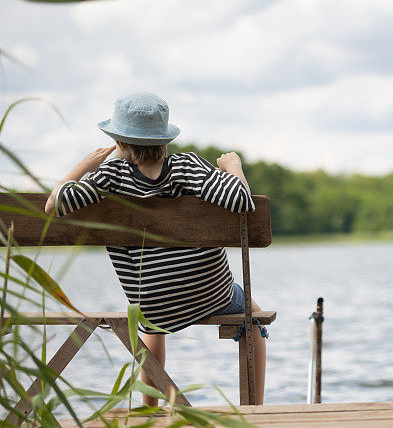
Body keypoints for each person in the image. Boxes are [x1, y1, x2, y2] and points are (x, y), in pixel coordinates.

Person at [44, 92, 267, 406]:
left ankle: (149, 411)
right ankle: (255, 406)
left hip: (153, 305)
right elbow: (242, 199)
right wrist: (233, 165)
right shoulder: (189, 166)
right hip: (210, 294)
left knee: (152, 323)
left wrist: (87, 163)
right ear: (165, 140)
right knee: (252, 314)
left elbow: (53, 203)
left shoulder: (109, 177)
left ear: (119, 144)